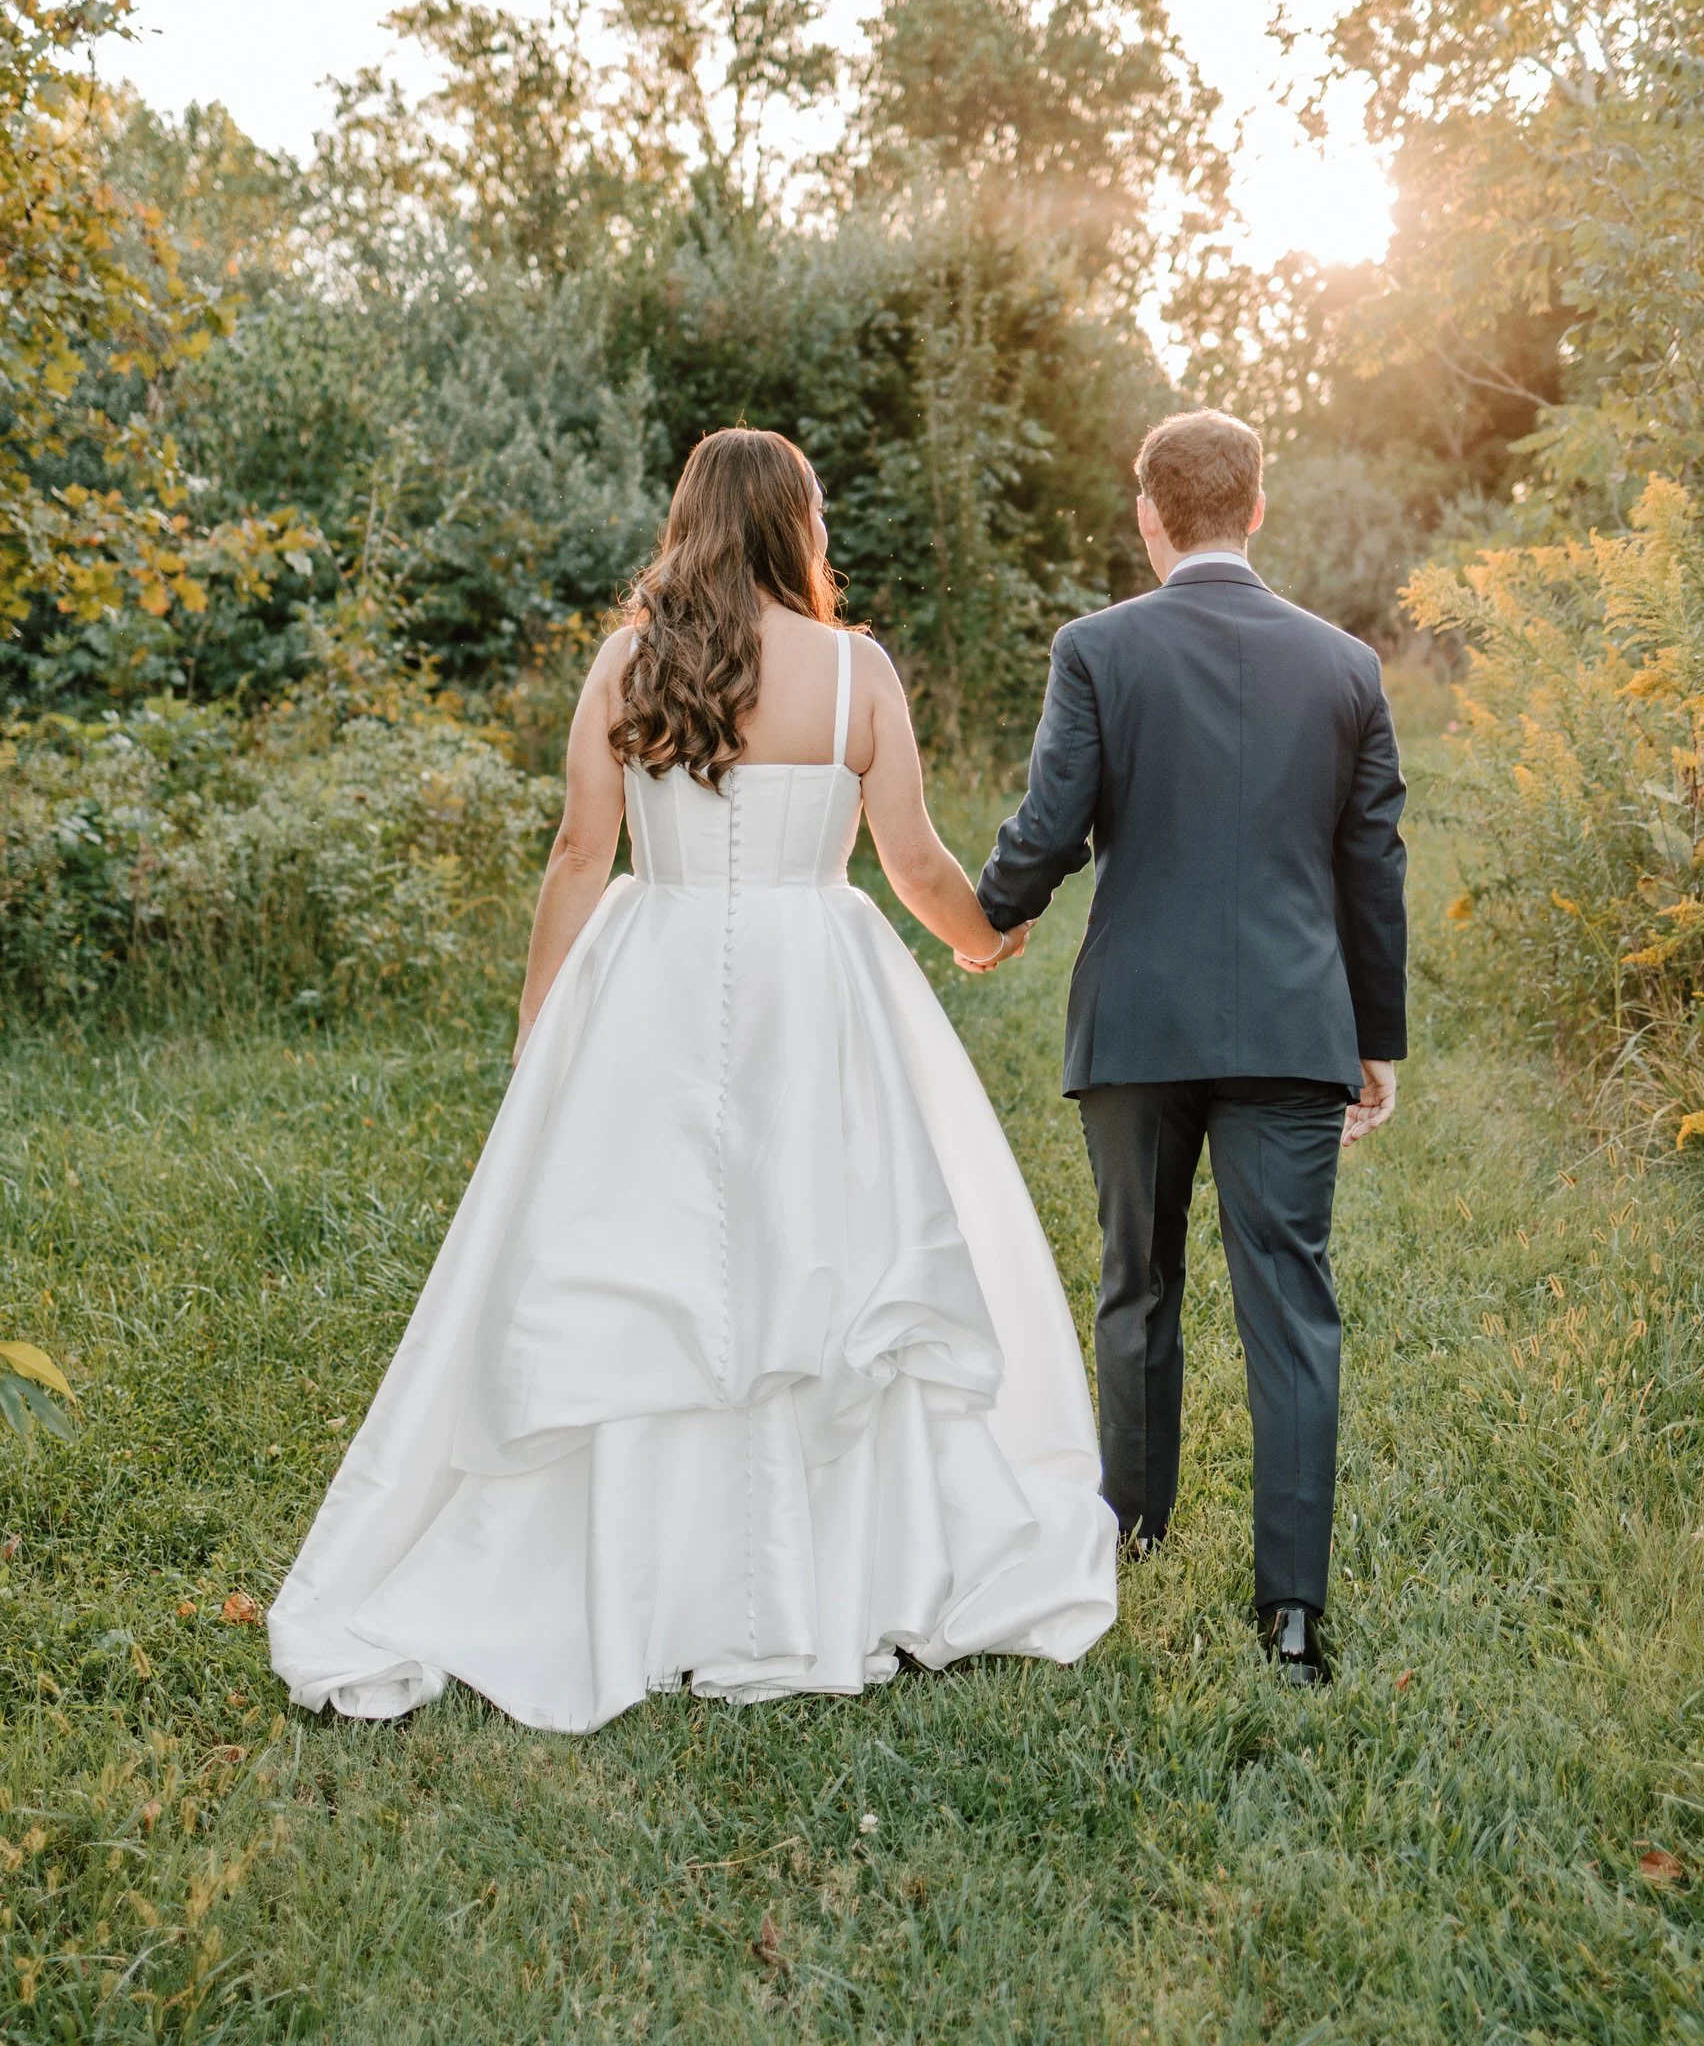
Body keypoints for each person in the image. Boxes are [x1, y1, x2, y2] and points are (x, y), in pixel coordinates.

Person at [270, 427, 1116, 1733]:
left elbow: (577, 850)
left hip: (653, 971)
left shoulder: (632, 661)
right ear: (798, 526)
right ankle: (826, 1572)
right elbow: (916, 861)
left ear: (690, 520)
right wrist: (979, 934)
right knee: (822, 1248)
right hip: (817, 984)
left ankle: (640, 1577)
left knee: (644, 1256)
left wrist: (539, 1016)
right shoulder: (855, 673)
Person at [974, 409, 1407, 1686]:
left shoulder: (1098, 648)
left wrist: (985, 917)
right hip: (1292, 1025)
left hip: (1139, 1027)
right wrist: (1374, 1038)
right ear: (1257, 507)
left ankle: (1132, 1538)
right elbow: (1369, 868)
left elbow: (1050, 828)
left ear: (1148, 515)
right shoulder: (1347, 668)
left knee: (1135, 1284)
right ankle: (1289, 1617)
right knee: (1292, 1306)